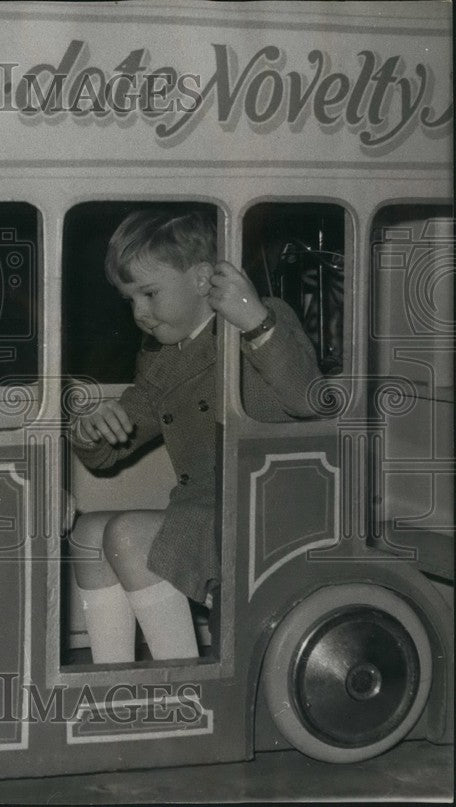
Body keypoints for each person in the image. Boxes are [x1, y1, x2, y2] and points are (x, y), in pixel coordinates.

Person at [69, 207, 322, 664]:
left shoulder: (265, 322)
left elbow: (307, 398)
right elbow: (116, 443)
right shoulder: (161, 360)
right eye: (129, 300)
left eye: (148, 293)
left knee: (127, 535)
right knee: (88, 531)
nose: (139, 313)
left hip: (268, 509)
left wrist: (256, 322)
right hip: (209, 508)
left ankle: (179, 681)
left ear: (203, 278)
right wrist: (92, 430)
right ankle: (113, 678)